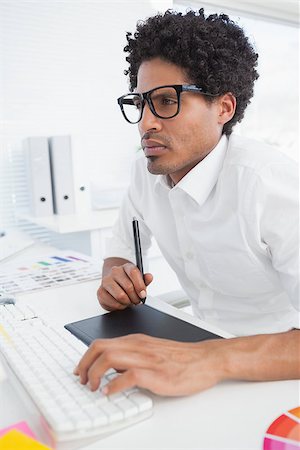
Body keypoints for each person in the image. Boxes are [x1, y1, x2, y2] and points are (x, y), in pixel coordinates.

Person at [74, 9, 299, 396]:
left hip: (275, 371)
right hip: (198, 346)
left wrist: (212, 359)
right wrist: (115, 277)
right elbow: (119, 252)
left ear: (224, 109)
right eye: (140, 103)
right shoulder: (146, 174)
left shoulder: (268, 184)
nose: (146, 122)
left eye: (165, 101)